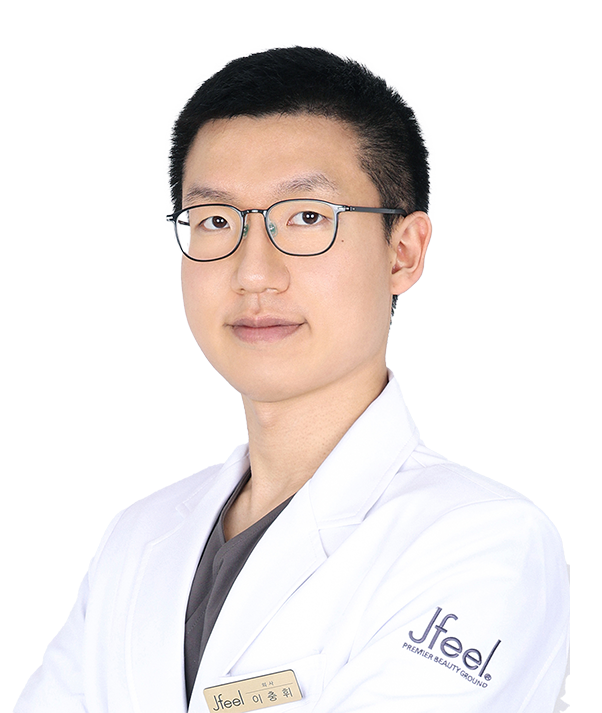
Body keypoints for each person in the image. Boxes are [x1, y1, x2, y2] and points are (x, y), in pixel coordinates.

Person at [15, 45, 569, 713]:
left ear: (403, 252)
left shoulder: (483, 544)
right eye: (215, 221)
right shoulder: (134, 542)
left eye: (307, 217)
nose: (253, 272)